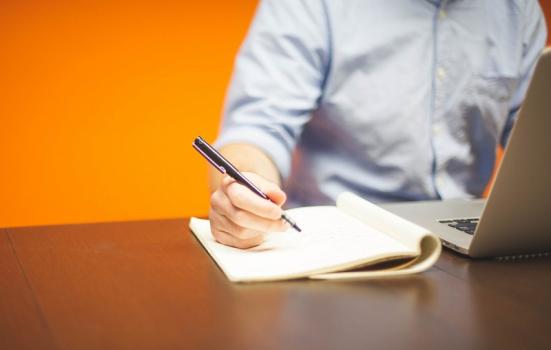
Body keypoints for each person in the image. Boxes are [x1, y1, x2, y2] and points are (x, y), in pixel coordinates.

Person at [207, 0, 547, 249]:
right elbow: (256, 129)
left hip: (472, 242)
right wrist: (245, 192)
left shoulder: (518, 10)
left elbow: (537, 138)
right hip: (335, 241)